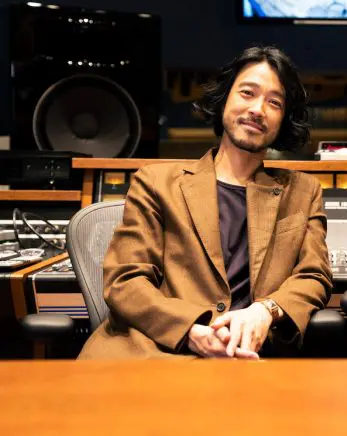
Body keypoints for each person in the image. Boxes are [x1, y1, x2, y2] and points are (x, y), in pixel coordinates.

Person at [79, 46, 332, 359]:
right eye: (248, 93)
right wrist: (190, 330)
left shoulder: (303, 191)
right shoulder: (156, 181)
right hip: (157, 352)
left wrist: (266, 311)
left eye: (274, 102)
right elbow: (125, 281)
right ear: (224, 99)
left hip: (245, 358)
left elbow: (314, 276)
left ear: (284, 119)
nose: (258, 109)